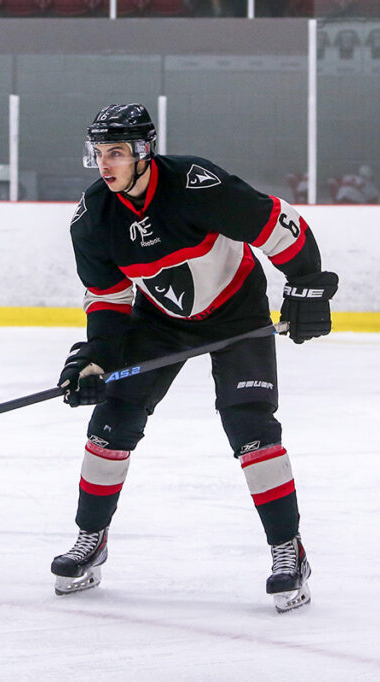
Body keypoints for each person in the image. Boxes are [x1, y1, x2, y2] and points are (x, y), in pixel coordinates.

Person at [52, 103, 338, 613]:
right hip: (160, 321)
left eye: (116, 152)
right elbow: (109, 299)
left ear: (144, 152)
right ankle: (90, 539)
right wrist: (96, 358)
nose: (105, 164)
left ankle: (287, 550)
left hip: (236, 311)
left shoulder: (195, 185)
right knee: (111, 419)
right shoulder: (94, 217)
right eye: (98, 153)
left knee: (250, 425)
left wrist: (308, 285)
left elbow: (277, 222)